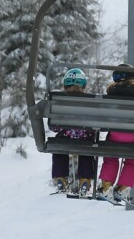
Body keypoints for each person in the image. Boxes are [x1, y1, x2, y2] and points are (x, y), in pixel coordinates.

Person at [95, 63, 134, 204]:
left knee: (111, 157)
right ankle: (122, 189)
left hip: (115, 135)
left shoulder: (110, 95)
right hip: (133, 138)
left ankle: (106, 187)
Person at [50, 68, 97, 197]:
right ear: (83, 85)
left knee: (59, 150)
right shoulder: (91, 101)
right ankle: (85, 181)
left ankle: (61, 179)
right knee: (87, 152)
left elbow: (54, 127)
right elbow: (95, 125)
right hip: (85, 139)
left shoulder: (58, 100)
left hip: (65, 138)